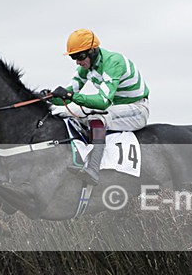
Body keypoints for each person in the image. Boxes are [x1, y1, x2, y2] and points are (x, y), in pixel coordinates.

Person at [46, 29, 150, 186]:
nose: (77, 62)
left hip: (137, 110)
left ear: (93, 50)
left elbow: (103, 101)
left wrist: (69, 96)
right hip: (117, 110)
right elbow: (67, 96)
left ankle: (93, 169)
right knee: (66, 114)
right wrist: (48, 97)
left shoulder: (114, 62)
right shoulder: (85, 68)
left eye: (80, 56)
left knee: (97, 118)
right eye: (73, 57)